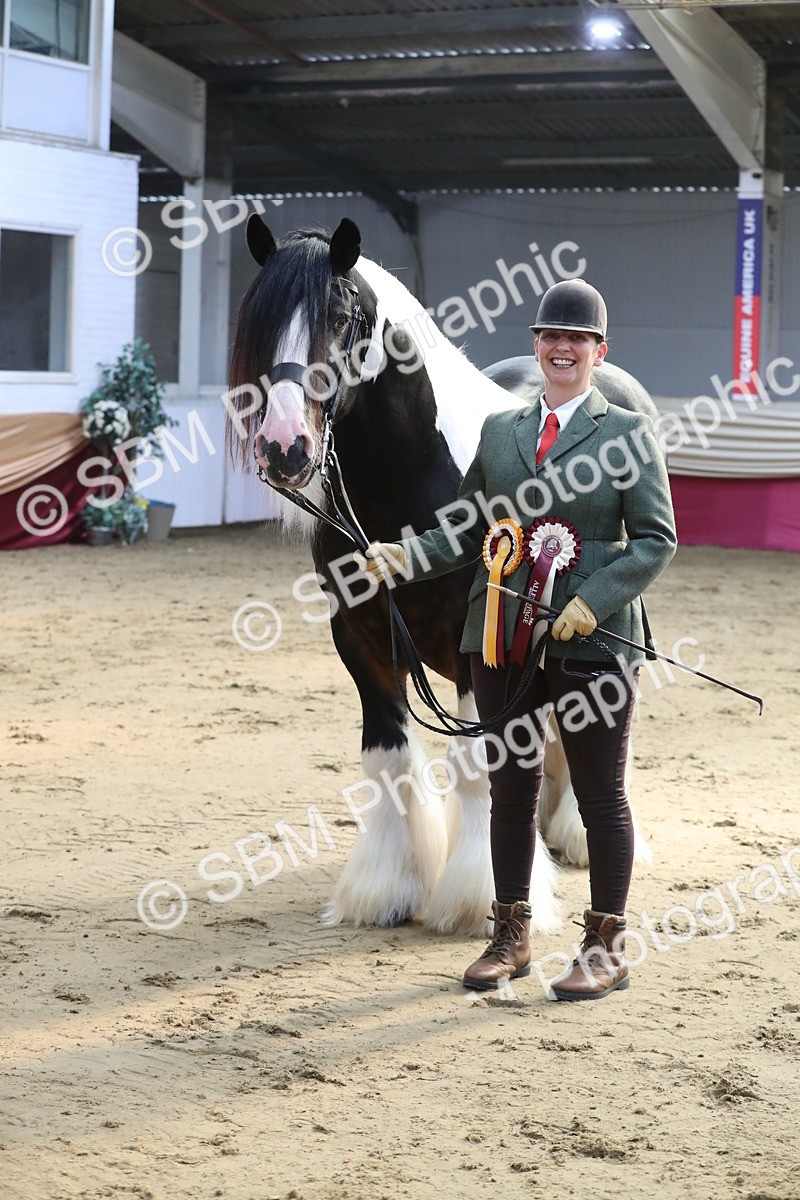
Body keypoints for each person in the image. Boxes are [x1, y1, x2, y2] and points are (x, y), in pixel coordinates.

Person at [355, 279, 677, 1000]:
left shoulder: (627, 434)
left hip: (594, 642)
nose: (562, 349)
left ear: (598, 352)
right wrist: (405, 555)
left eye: (577, 340)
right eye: (551, 338)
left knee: (600, 794)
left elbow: (657, 541)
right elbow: (468, 525)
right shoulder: (501, 433)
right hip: (501, 633)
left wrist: (592, 602)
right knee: (509, 788)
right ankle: (512, 936)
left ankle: (605, 948)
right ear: (537, 347)